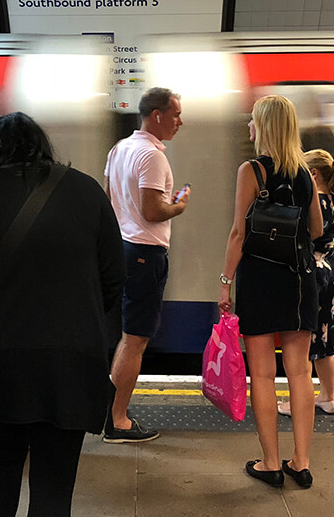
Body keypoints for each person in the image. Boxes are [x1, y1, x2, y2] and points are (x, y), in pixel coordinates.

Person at [0, 112, 125, 516]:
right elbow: (114, 277)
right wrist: (80, 317)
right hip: (72, 357)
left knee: (1, 461)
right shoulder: (86, 191)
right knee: (55, 478)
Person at [217, 95, 323, 489]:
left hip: (260, 281)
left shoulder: (251, 171)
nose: (248, 127)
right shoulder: (304, 175)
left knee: (262, 375)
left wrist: (225, 282)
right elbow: (315, 229)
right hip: (299, 280)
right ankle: (302, 462)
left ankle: (271, 463)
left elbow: (238, 234)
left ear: (263, 127)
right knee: (300, 372)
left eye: (252, 122)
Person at [102, 87, 189, 443]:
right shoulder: (152, 157)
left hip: (122, 247)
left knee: (126, 338)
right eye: (176, 114)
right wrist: (179, 204)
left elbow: (110, 200)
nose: (180, 121)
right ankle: (117, 421)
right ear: (157, 115)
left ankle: (110, 411)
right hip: (144, 253)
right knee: (134, 340)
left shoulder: (119, 149)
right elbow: (153, 211)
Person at [279, 149, 334, 417]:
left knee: (303, 340)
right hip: (331, 270)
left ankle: (299, 403)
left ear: (313, 174)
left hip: (310, 273)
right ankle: (327, 397)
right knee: (326, 337)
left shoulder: (312, 203)